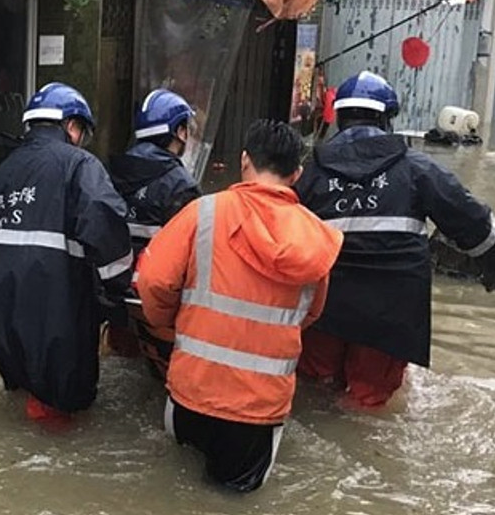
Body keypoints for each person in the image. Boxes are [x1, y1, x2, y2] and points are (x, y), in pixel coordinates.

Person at [135, 119, 343, 492]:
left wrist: (167, 326)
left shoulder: (204, 213)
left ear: (244, 160)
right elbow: (309, 314)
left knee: (170, 490)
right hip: (257, 413)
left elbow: (152, 281)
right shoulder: (318, 238)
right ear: (296, 173)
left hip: (190, 394)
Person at [0, 82, 134, 423]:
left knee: (21, 385)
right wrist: (120, 292)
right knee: (65, 402)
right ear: (72, 126)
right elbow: (105, 225)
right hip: (56, 303)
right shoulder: (79, 165)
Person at [294, 71, 495, 409]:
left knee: (313, 389)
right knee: (367, 401)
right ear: (386, 119)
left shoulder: (309, 172)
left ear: (339, 117)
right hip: (391, 312)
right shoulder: (416, 168)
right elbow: (468, 217)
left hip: (323, 308)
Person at [104, 88, 201, 364]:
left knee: (120, 361)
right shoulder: (181, 184)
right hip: (156, 299)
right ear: (179, 131)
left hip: (114, 294)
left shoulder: (108, 171)